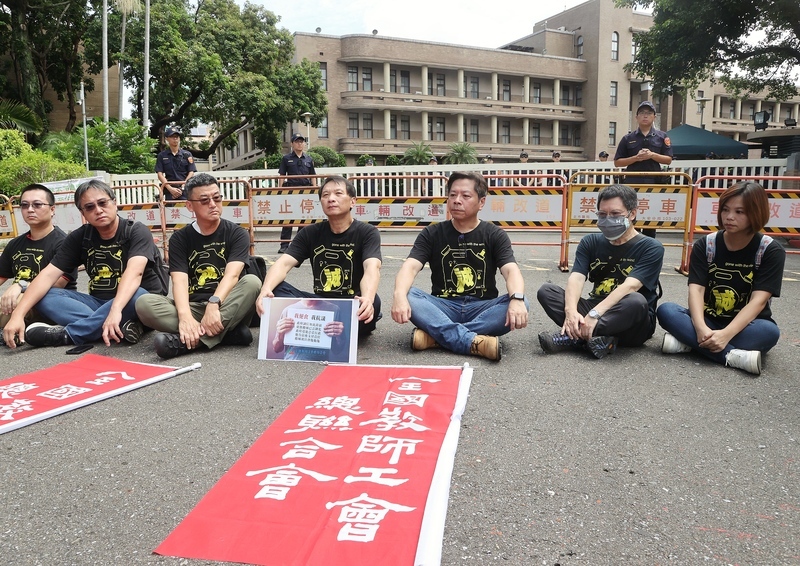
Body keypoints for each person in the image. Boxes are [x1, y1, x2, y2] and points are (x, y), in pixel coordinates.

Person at [3, 180, 168, 349]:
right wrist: (18, 315)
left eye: (102, 203)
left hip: (140, 301)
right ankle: (111, 326)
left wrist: (115, 310)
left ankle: (68, 334)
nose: (98, 210)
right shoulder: (80, 237)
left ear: (114, 202)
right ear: (83, 212)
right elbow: (47, 275)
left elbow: (135, 274)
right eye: (89, 207)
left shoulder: (136, 231)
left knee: (139, 294)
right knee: (48, 294)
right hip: (98, 304)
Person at [391, 171, 528, 361]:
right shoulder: (431, 233)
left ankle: (436, 337)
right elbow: (410, 267)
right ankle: (475, 341)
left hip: (482, 307)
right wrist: (398, 296)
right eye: (453, 195)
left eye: (465, 196)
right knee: (408, 294)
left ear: (481, 202)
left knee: (522, 301)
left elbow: (510, 270)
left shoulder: (494, 234)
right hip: (443, 305)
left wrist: (517, 300)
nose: (457, 200)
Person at [656, 181, 784, 376]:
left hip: (747, 325)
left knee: (769, 332)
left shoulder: (769, 250)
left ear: (756, 213)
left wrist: (726, 335)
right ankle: (732, 356)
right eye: (725, 210)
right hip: (707, 320)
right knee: (666, 311)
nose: (729, 217)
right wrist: (700, 328)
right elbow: (696, 289)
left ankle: (689, 344)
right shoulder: (707, 244)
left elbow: (759, 301)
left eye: (740, 212)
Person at [136, 173, 261, 359]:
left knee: (252, 282)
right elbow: (179, 282)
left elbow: (232, 275)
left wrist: (214, 304)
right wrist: (185, 316)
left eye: (217, 198)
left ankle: (186, 343)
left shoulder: (237, 233)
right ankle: (227, 334)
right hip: (193, 307)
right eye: (204, 200)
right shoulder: (180, 238)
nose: (213, 204)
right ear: (189, 205)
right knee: (144, 304)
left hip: (227, 304)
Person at [537, 184, 664, 359]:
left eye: (615, 214)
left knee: (636, 300)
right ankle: (601, 339)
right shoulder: (590, 242)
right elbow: (577, 278)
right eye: (602, 214)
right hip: (595, 306)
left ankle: (572, 337)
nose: (608, 219)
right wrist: (571, 312)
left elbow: (630, 286)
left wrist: (594, 315)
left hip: (631, 319)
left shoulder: (651, 247)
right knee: (546, 291)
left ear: (632, 213)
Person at [256, 176, 382, 337]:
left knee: (374, 301)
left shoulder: (367, 232)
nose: (331, 199)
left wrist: (368, 298)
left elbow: (371, 267)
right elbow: (283, 264)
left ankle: (315, 328)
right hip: (319, 304)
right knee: (276, 288)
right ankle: (329, 328)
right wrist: (265, 290)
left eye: (338, 193)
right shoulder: (310, 232)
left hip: (351, 302)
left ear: (352, 201)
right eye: (325, 195)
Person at [0, 184, 77, 333]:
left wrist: (20, 285)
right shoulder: (15, 244)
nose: (30, 209)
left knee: (15, 301)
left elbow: (57, 284)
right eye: (24, 205)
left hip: (50, 301)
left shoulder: (65, 244)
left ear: (52, 209)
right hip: (17, 301)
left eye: (37, 205)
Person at [613, 100, 673, 237]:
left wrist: (652, 155)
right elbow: (617, 162)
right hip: (632, 184)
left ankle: (649, 252)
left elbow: (668, 159)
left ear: (654, 117)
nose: (645, 116)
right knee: (631, 218)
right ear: (636, 117)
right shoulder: (628, 138)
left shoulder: (662, 137)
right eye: (642, 113)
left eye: (648, 113)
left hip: (654, 183)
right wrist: (636, 158)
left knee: (651, 221)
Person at [271, 297, 349, 362]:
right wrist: (280, 333)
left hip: (319, 365)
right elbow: (277, 349)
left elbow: (337, 350)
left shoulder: (334, 309)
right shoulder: (288, 310)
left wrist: (340, 335)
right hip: (292, 363)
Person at [278, 133, 316, 253]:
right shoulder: (286, 158)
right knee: (288, 218)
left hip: (305, 192)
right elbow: (282, 176)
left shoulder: (309, 159)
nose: (300, 144)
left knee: (303, 220)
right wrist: (279, 191)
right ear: (292, 144)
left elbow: (312, 175)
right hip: (291, 192)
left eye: (301, 141)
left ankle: (299, 244)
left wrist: (314, 190)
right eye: (297, 141)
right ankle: (284, 245)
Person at [155, 126, 197, 200]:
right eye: (172, 136)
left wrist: (183, 186)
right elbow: (159, 174)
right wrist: (170, 189)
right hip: (169, 191)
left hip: (185, 190)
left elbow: (191, 172)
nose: (175, 139)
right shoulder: (162, 155)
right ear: (166, 139)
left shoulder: (187, 155)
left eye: (177, 136)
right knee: (171, 211)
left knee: (186, 210)